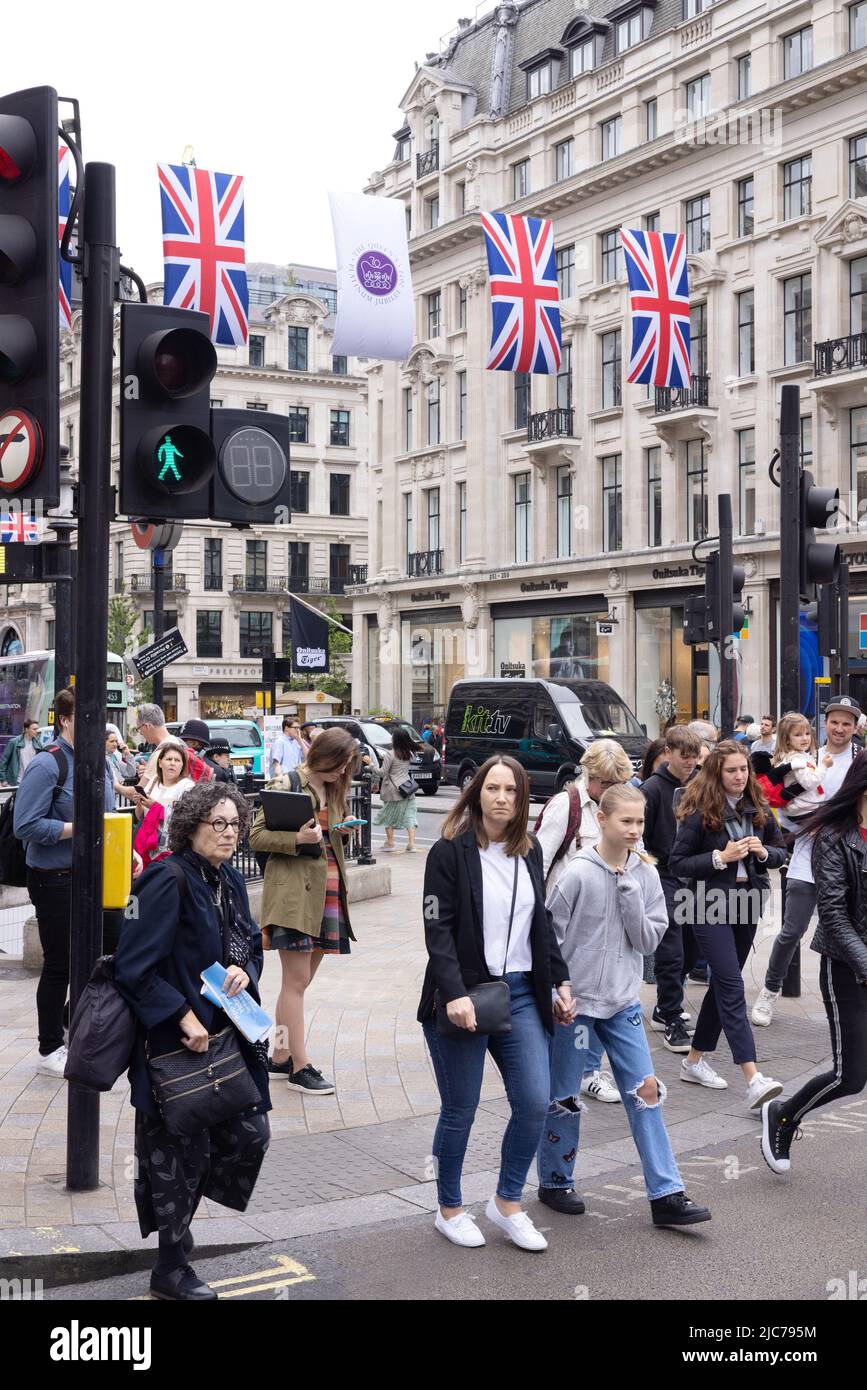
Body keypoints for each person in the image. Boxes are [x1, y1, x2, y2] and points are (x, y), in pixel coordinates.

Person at [114, 781, 270, 1301]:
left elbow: (248, 940)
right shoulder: (164, 879)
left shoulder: (229, 879)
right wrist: (181, 1014)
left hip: (229, 1036)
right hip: (176, 1043)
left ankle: (179, 1239)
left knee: (249, 1134)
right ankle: (171, 1267)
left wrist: (246, 969)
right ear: (191, 827)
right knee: (177, 1155)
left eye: (235, 825)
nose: (229, 835)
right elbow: (132, 966)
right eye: (218, 824)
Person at [419, 755, 575, 1251]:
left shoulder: (528, 852)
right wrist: (455, 994)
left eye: (511, 789)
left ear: (522, 796)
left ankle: (507, 1202)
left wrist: (561, 980)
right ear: (477, 793)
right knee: (460, 1108)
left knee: (533, 1101)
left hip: (523, 992)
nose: (502, 797)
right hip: (463, 996)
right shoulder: (448, 852)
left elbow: (541, 923)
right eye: (493, 788)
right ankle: (450, 1208)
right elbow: (436, 929)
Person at [538, 784, 712, 1228]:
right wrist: (559, 991)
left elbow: (649, 941)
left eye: (639, 822)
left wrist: (630, 891)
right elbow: (549, 937)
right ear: (603, 820)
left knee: (646, 1092)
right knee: (564, 1096)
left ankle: (666, 1193)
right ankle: (556, 1179)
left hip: (622, 1003)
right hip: (576, 1007)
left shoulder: (647, 875)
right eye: (626, 821)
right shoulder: (577, 872)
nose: (635, 830)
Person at [760, 754, 867, 1174]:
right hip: (846, 965)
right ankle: (783, 1115)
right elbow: (836, 916)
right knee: (850, 1077)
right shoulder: (834, 837)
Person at [669, 740, 786, 1109]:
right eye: (731, 770)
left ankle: (693, 1062)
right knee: (733, 985)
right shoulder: (700, 811)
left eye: (743, 770)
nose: (739, 776)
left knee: (723, 984)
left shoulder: (758, 808)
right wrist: (720, 857)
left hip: (746, 903)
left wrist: (764, 852)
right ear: (717, 774)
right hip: (707, 904)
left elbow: (781, 851)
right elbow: (678, 863)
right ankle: (752, 1077)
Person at [249, 726, 358, 1096]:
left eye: (346, 767)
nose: (342, 773)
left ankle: (279, 1054)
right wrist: (298, 838)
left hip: (326, 894)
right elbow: (255, 836)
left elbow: (330, 834)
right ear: (322, 757)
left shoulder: (333, 788)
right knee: (295, 985)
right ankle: (300, 1065)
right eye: (338, 765)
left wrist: (340, 832)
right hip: (294, 896)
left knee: (297, 985)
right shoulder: (288, 782)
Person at [13, 689, 116, 1077]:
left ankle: (75, 1022)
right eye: (90, 716)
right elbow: (26, 825)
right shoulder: (48, 764)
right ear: (67, 719)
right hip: (53, 877)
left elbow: (106, 817)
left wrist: (125, 849)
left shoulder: (102, 762)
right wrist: (77, 828)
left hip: (94, 874)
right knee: (60, 962)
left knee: (106, 951)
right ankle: (50, 1045)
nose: (99, 724)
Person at [534, 739, 634, 1105]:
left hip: (608, 918)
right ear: (588, 775)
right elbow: (540, 862)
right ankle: (572, 1071)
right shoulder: (568, 805)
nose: (608, 790)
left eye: (615, 783)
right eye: (603, 783)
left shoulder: (617, 804)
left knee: (598, 996)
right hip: (566, 920)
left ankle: (586, 1069)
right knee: (573, 998)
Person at [751, 696, 859, 1028]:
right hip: (806, 854)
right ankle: (769, 990)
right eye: (834, 722)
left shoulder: (860, 761)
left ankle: (851, 997)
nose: (840, 729)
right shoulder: (805, 758)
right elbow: (780, 803)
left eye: (847, 723)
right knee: (792, 929)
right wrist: (803, 829)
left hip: (848, 859)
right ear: (824, 724)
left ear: (855, 727)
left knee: (852, 929)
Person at [641, 725, 702, 1051]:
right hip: (663, 873)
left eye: (694, 757)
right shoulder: (652, 789)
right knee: (671, 948)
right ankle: (671, 1014)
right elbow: (643, 837)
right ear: (669, 754)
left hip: (694, 873)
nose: (691, 763)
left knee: (693, 948)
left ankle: (666, 1005)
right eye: (685, 757)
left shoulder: (698, 784)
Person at [134, 741, 196, 869]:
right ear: (160, 762)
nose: (173, 763)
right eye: (169, 759)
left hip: (172, 850)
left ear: (182, 765)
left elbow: (185, 818)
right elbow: (141, 817)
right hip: (148, 849)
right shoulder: (153, 782)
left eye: (177, 760)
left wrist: (155, 807)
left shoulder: (187, 787)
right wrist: (139, 804)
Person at [135, 705, 213, 784]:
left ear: (147, 726)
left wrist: (121, 788)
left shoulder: (162, 752)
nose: (141, 733)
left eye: (139, 729)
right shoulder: (177, 743)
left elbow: (138, 792)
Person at [375, 727, 418, 853]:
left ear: (396, 739)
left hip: (392, 790)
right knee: (410, 816)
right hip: (408, 789)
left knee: (389, 816)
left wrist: (371, 764)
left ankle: (390, 843)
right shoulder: (409, 753)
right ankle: (411, 844)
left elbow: (382, 773)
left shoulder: (390, 754)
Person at [0, 718, 45, 786]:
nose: (37, 731)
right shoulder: (14, 742)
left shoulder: (38, 745)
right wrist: (3, 779)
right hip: (17, 781)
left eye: (37, 729)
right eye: (34, 729)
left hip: (32, 781)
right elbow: (3, 762)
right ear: (27, 729)